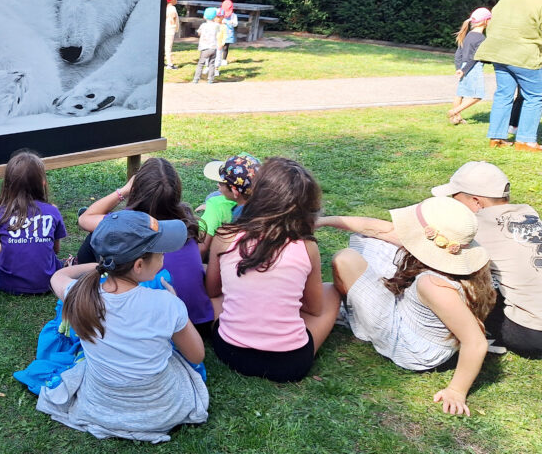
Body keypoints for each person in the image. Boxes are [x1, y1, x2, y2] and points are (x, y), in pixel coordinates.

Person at [35, 210, 209, 443]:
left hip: (100, 404)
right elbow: (196, 355)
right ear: (138, 265)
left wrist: (102, 267)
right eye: (160, 251)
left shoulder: (81, 296)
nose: (164, 256)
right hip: (160, 411)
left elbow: (59, 275)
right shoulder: (167, 303)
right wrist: (178, 305)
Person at [318, 197, 496, 416]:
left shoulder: (433, 285)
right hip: (415, 314)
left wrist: (457, 391)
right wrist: (322, 221)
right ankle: (357, 303)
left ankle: (351, 314)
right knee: (364, 240)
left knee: (346, 259)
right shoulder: (459, 256)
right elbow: (379, 230)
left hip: (412, 345)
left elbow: (476, 342)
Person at [206, 157, 340, 382]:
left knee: (214, 295)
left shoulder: (225, 236)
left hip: (229, 351)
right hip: (290, 363)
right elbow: (314, 308)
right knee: (332, 291)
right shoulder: (307, 246)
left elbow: (212, 291)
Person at [76, 158, 213, 334]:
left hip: (160, 324)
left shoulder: (127, 223)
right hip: (198, 320)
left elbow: (85, 218)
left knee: (94, 236)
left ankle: (87, 281)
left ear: (136, 189)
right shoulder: (186, 218)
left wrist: (123, 191)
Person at [431, 161, 542, 358]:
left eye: (455, 198)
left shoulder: (477, 227)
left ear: (476, 202)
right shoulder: (528, 213)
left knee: (464, 281)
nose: (452, 202)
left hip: (531, 335)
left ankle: (486, 334)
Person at [476, 0, 542, 151]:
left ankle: (496, 138)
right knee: (535, 95)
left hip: (498, 53)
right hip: (523, 55)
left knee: (503, 95)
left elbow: (493, 22)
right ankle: (525, 141)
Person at [0, 150, 67, 295]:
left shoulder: (0, 212)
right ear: (43, 183)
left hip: (6, 284)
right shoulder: (52, 211)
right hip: (47, 282)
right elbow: (56, 250)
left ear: (7, 184)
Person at [447, 8, 492, 125]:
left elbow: (459, 53)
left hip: (463, 66)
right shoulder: (481, 38)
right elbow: (475, 57)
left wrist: (459, 68)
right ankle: (454, 111)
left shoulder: (467, 35)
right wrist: (465, 70)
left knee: (460, 93)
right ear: (486, 21)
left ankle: (456, 118)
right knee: (478, 95)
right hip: (473, 68)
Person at [192, 7, 220, 84]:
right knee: (211, 63)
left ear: (204, 16)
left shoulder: (203, 25)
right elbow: (218, 33)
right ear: (215, 17)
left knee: (201, 63)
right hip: (213, 47)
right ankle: (210, 79)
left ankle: (196, 78)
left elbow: (199, 33)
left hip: (204, 47)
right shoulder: (216, 25)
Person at [217, 0, 239, 70]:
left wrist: (231, 22)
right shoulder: (220, 14)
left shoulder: (233, 16)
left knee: (226, 47)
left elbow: (236, 24)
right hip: (220, 33)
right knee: (218, 46)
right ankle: (218, 58)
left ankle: (224, 59)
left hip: (228, 33)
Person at [164, 0, 180, 70]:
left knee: (165, 46)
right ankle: (170, 64)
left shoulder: (166, 7)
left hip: (167, 29)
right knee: (168, 47)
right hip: (170, 30)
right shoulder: (172, 8)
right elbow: (173, 16)